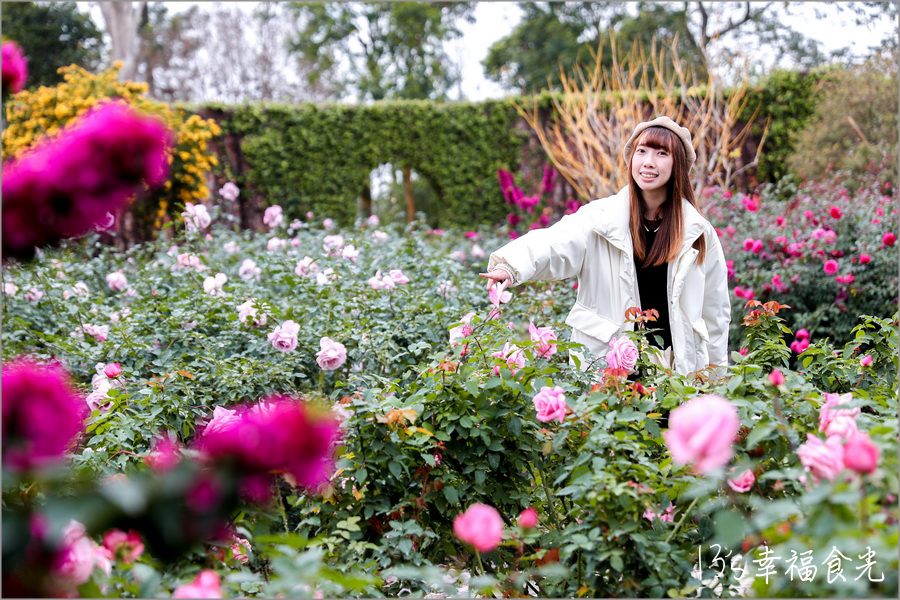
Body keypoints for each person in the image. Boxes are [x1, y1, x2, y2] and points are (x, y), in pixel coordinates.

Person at [479, 116, 730, 376]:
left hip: (677, 374)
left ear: (677, 164)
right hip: (611, 372)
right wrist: (511, 265)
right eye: (641, 151)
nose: (648, 162)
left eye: (661, 153)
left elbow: (715, 313)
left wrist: (716, 380)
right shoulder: (600, 220)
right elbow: (555, 242)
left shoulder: (697, 233)